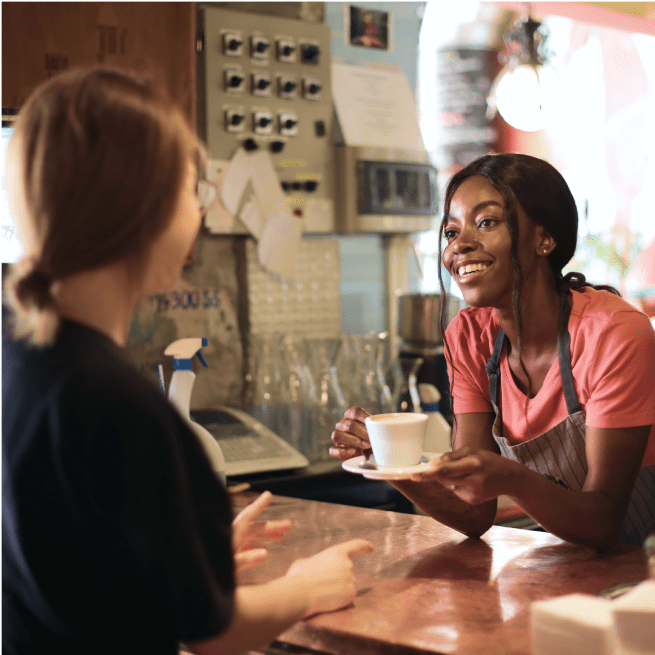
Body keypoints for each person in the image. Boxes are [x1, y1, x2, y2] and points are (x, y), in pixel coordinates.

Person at [1, 65, 373, 655]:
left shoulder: (23, 363)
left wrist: (184, 552)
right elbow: (212, 632)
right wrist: (304, 587)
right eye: (191, 190)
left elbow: (78, 565)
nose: (198, 212)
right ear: (141, 208)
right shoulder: (117, 402)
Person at [331, 153, 655, 550]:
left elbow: (604, 519)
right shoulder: (468, 337)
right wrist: (388, 461)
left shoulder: (613, 334)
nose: (460, 246)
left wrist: (510, 478)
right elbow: (473, 514)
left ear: (544, 239)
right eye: (451, 232)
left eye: (486, 222)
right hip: (572, 568)